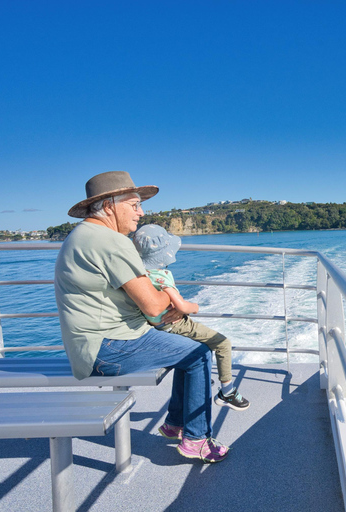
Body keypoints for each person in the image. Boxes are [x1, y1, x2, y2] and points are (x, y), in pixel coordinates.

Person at [54, 171, 227, 463]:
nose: (141, 212)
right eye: (134, 205)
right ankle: (196, 439)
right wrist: (173, 299)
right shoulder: (112, 242)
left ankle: (175, 424)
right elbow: (155, 308)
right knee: (199, 353)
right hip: (107, 348)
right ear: (109, 205)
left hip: (87, 344)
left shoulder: (81, 235)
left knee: (184, 352)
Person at [132, 224, 250, 411]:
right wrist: (194, 307)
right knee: (222, 343)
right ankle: (227, 392)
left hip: (157, 327)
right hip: (176, 326)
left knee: (201, 348)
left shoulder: (139, 277)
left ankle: (198, 384)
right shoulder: (161, 278)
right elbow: (182, 306)